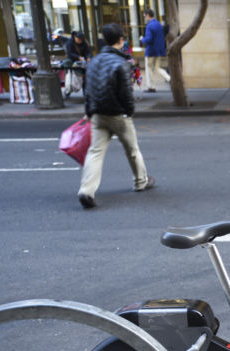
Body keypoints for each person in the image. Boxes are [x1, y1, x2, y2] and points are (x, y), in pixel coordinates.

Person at [78, 23, 155, 209]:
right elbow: (126, 93)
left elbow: (87, 90)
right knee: (132, 149)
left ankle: (86, 190)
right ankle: (140, 181)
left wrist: (89, 111)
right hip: (118, 114)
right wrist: (129, 111)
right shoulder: (121, 63)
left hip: (97, 113)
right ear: (121, 40)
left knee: (95, 152)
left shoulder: (94, 61)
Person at [140, 9, 170, 92]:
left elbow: (148, 39)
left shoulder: (149, 26)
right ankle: (169, 78)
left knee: (148, 68)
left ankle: (151, 87)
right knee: (157, 67)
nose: (145, 18)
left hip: (150, 51)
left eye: (145, 16)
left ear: (148, 15)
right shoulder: (158, 24)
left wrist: (142, 39)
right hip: (159, 50)